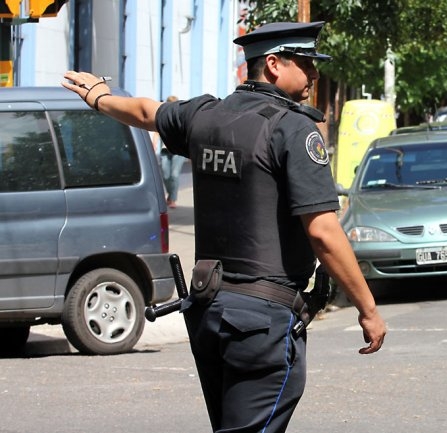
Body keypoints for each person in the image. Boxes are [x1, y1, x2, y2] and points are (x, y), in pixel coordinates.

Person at [62, 21, 386, 433]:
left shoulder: (205, 115)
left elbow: (146, 112)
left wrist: (99, 98)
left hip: (208, 313)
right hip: (262, 322)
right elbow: (323, 231)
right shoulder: (293, 129)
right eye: (306, 63)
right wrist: (368, 310)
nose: (314, 74)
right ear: (273, 64)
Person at [151, 95, 186, 208]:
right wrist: (154, 144)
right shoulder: (163, 115)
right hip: (165, 150)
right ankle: (170, 196)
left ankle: (173, 199)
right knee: (166, 176)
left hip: (178, 151)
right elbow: (157, 130)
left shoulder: (181, 116)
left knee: (174, 175)